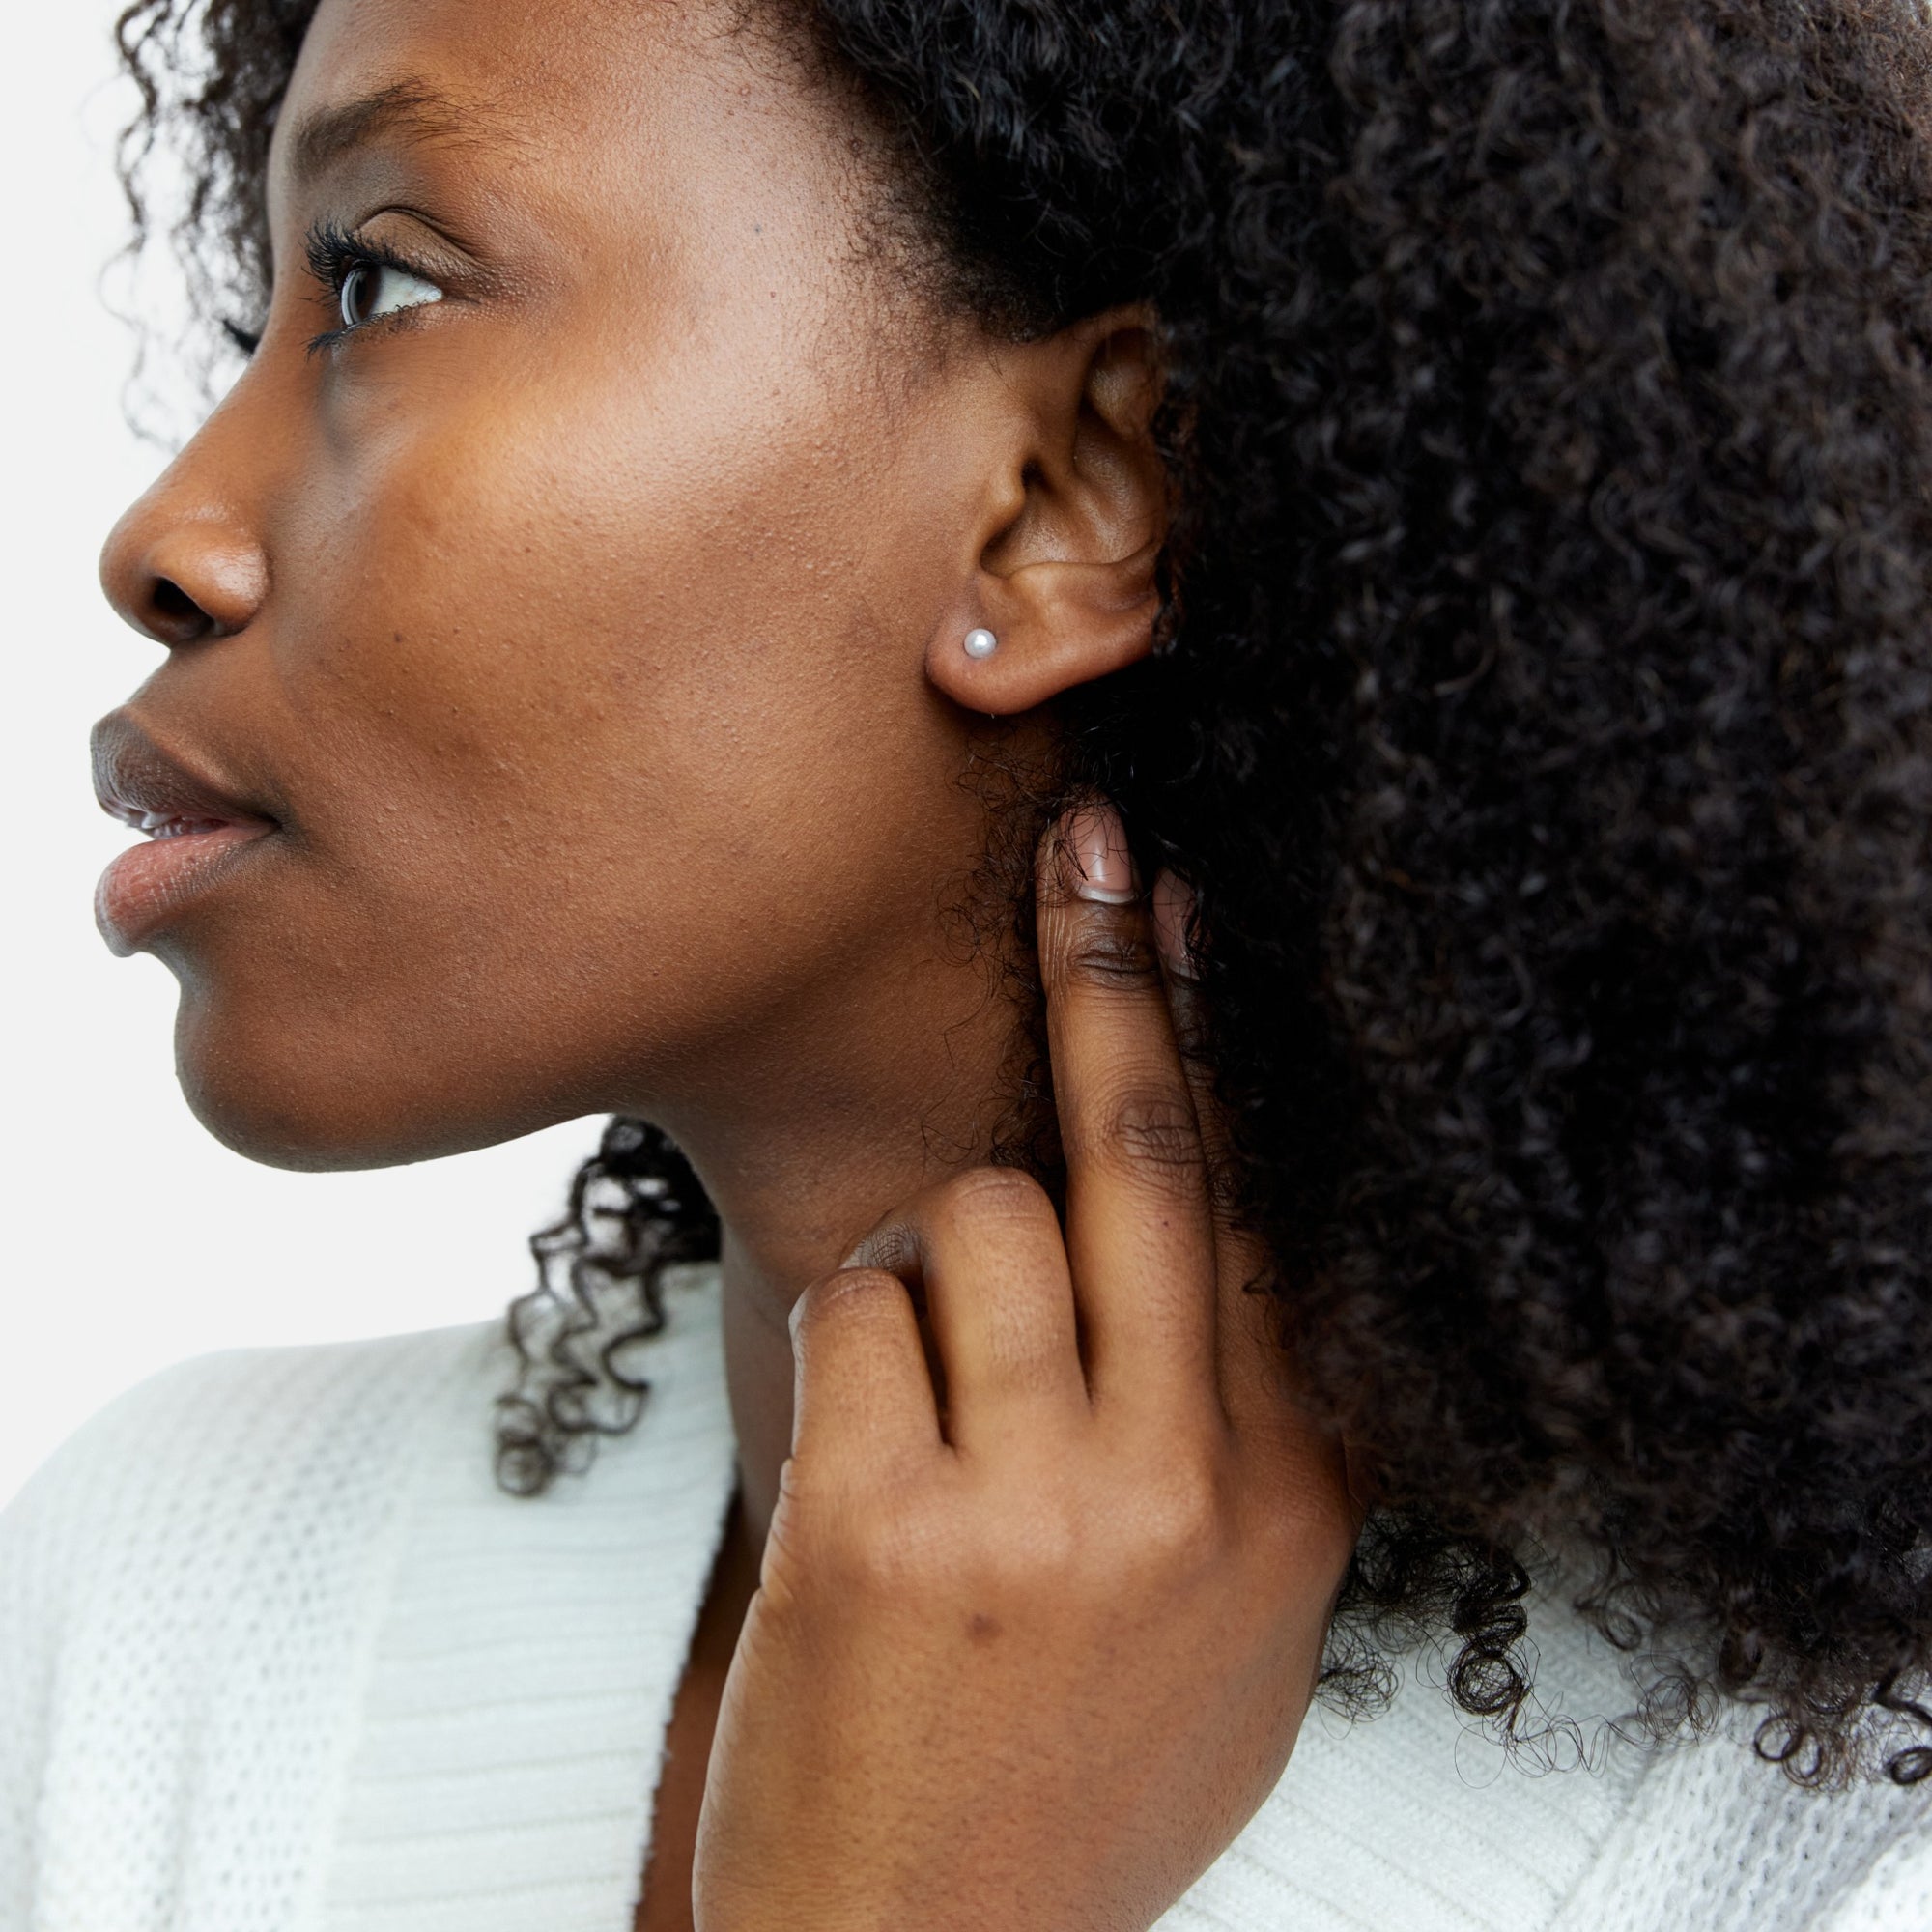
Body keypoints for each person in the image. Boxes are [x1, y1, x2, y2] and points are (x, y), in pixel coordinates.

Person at [4, 0, 1931, 1924]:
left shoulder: (1829, 1841)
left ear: (1062, 501)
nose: (161, 536)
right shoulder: (159, 1611)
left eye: (383, 285)